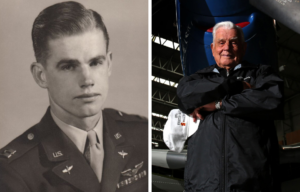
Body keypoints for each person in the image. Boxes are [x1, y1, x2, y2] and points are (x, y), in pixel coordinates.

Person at [0, 2, 147, 192]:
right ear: (40, 75)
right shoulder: (14, 172)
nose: (87, 80)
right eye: (68, 66)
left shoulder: (141, 134)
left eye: (95, 63)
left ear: (109, 64)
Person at [177, 21, 283, 192]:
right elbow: (185, 96)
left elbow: (271, 101)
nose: (227, 47)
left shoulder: (262, 74)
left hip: (253, 184)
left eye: (233, 42)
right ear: (212, 48)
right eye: (221, 42)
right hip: (204, 184)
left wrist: (218, 104)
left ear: (243, 47)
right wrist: (237, 86)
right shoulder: (196, 79)